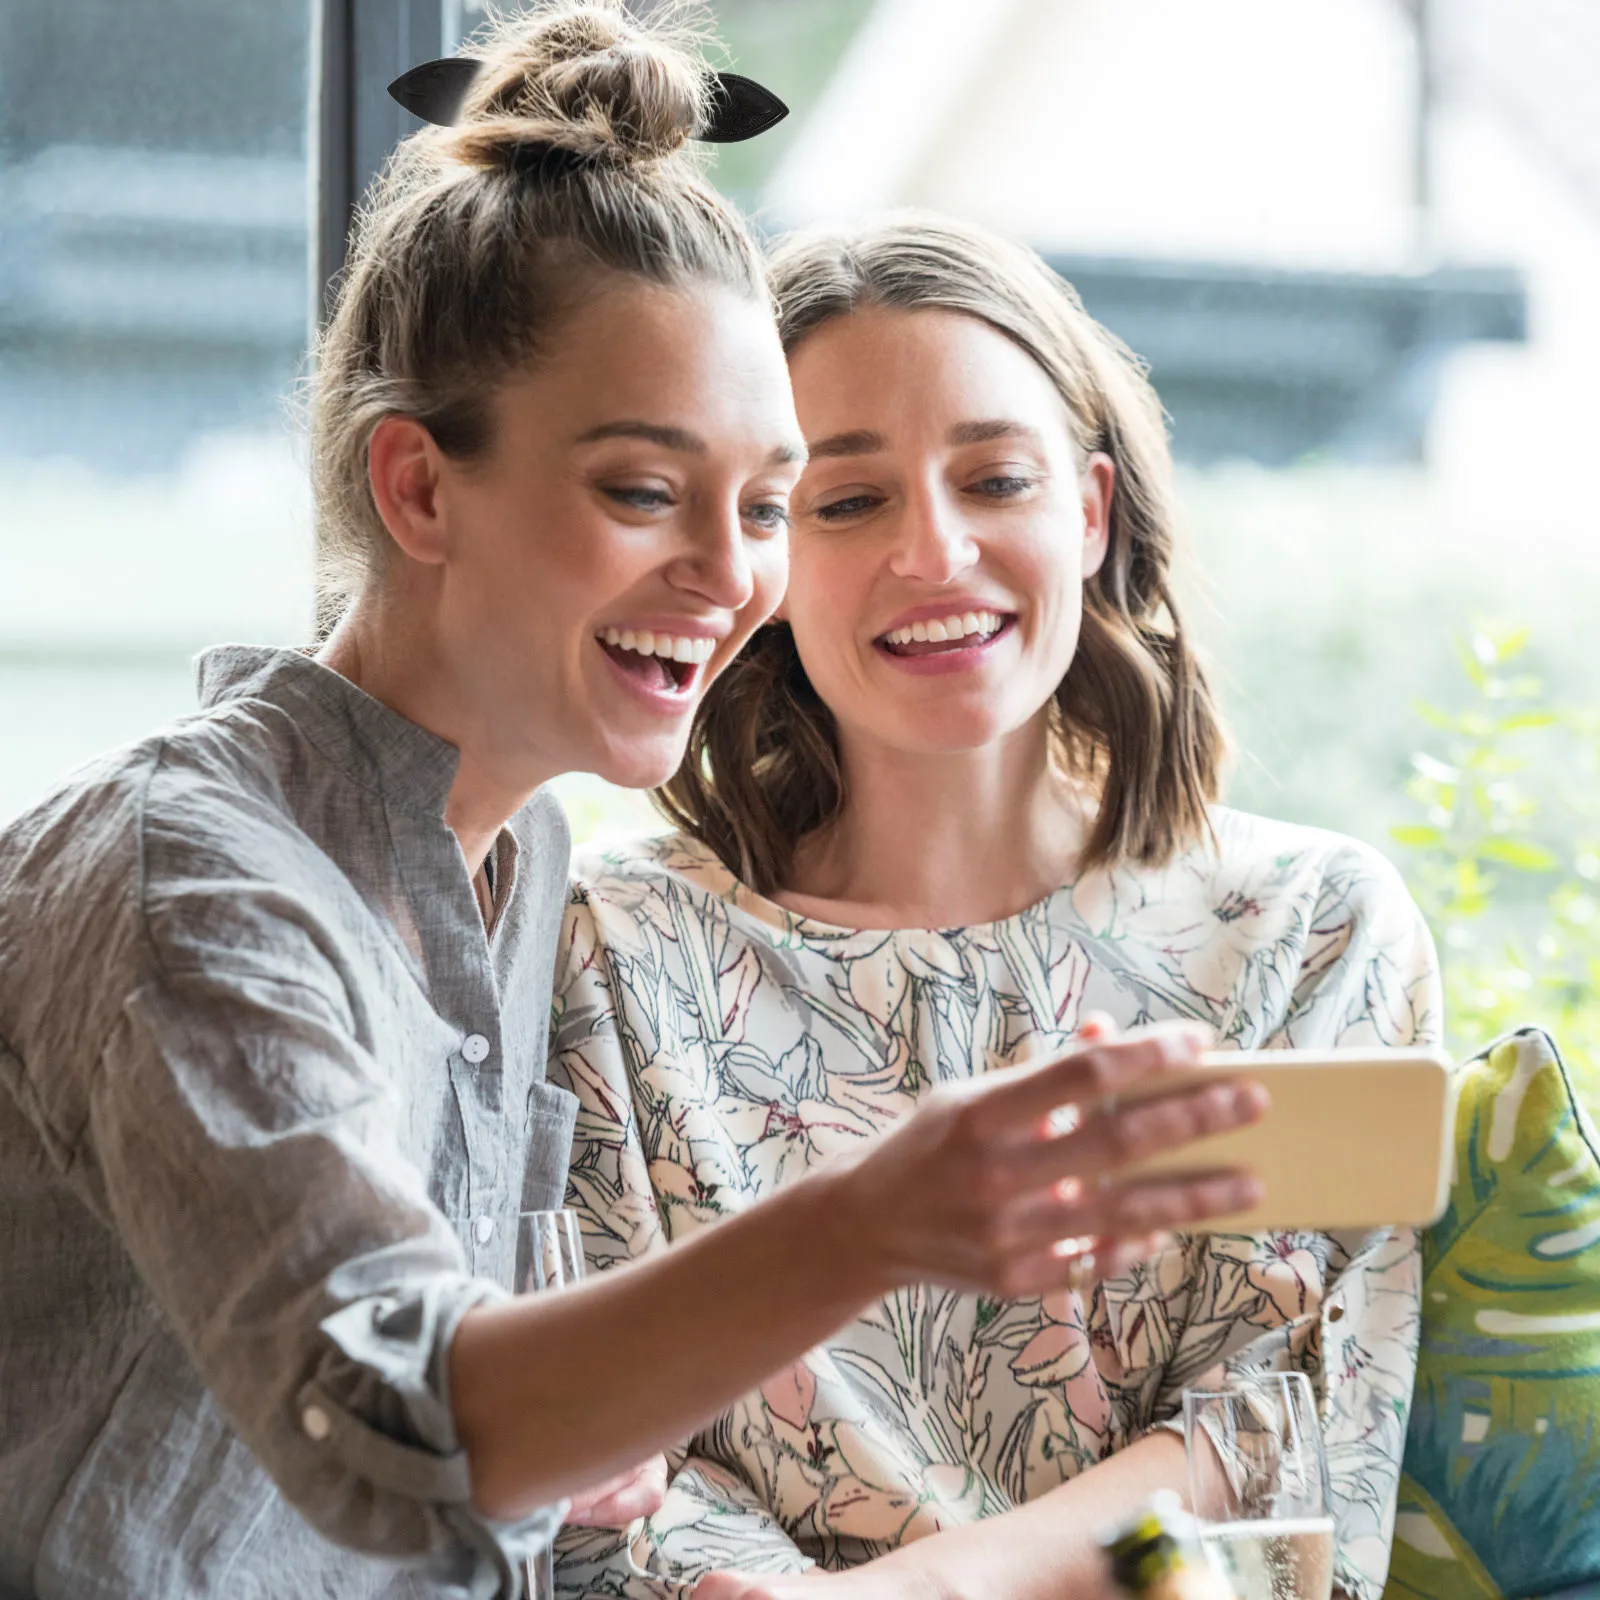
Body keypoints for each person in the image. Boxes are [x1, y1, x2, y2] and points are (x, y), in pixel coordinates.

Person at [0, 10, 1270, 1598]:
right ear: (416, 487)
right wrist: (867, 1223)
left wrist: (578, 1451)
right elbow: (410, 1410)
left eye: (761, 506)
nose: (731, 576)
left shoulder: (515, 857)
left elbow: (486, 1426)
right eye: (642, 491)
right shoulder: (188, 888)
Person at [550, 214, 1444, 1600]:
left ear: (1088, 513)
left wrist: (913, 1596)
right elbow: (598, 1455)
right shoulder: (612, 943)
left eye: (996, 478)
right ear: (766, 556)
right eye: (847, 503)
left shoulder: (1308, 929)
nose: (936, 550)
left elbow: (1271, 1446)